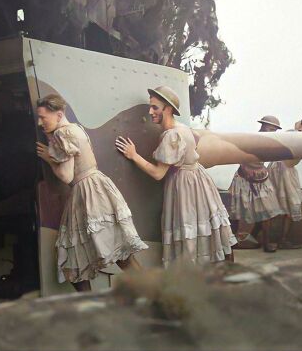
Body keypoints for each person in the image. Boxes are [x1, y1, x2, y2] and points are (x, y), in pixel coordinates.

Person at [35, 94, 147, 292]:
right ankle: (154, 294)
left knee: (78, 260)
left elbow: (66, 176)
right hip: (97, 187)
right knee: (118, 254)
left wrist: (49, 158)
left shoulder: (63, 134)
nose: (40, 122)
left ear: (59, 114)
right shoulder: (76, 128)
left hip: (87, 191)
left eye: (43, 117)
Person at [115, 86, 236, 267]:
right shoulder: (183, 128)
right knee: (202, 228)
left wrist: (134, 155)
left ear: (168, 109)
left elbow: (158, 173)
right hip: (197, 181)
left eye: (155, 107)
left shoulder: (172, 135)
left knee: (189, 231)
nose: (150, 112)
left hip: (186, 186)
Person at [268, 107, 302, 249]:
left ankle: (282, 239)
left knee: (291, 206)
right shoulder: (292, 134)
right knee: (278, 205)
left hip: (288, 171)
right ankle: (269, 239)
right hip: (280, 170)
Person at [229, 115, 285, 253]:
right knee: (235, 213)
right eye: (271, 128)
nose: (273, 132)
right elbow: (239, 155)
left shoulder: (270, 141)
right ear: (263, 126)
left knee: (267, 211)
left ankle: (264, 242)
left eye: (275, 130)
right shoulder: (251, 139)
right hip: (244, 178)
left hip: (261, 179)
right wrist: (246, 168)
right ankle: (230, 242)